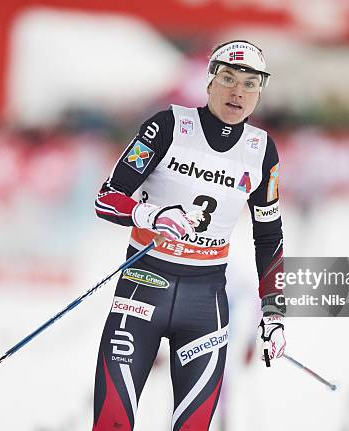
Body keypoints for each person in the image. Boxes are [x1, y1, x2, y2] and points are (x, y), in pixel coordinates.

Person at [92, 40, 286, 431]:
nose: (237, 92)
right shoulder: (167, 125)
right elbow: (106, 199)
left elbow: (269, 236)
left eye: (250, 84)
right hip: (142, 290)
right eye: (228, 79)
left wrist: (274, 311)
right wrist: (152, 214)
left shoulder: (261, 150)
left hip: (205, 303)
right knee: (112, 422)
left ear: (259, 93)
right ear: (210, 82)